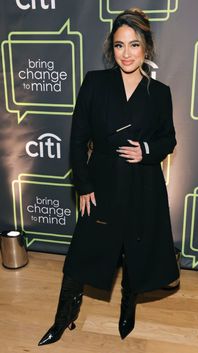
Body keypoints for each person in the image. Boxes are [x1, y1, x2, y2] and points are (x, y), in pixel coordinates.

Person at [38, 8, 179, 346]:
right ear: (111, 49)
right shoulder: (95, 83)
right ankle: (63, 317)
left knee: (134, 252)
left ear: (146, 47)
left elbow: (168, 139)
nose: (126, 53)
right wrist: (83, 185)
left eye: (133, 45)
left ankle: (127, 309)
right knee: (80, 256)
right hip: (101, 185)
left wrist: (146, 149)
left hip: (144, 187)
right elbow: (76, 139)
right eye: (119, 46)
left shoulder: (159, 93)